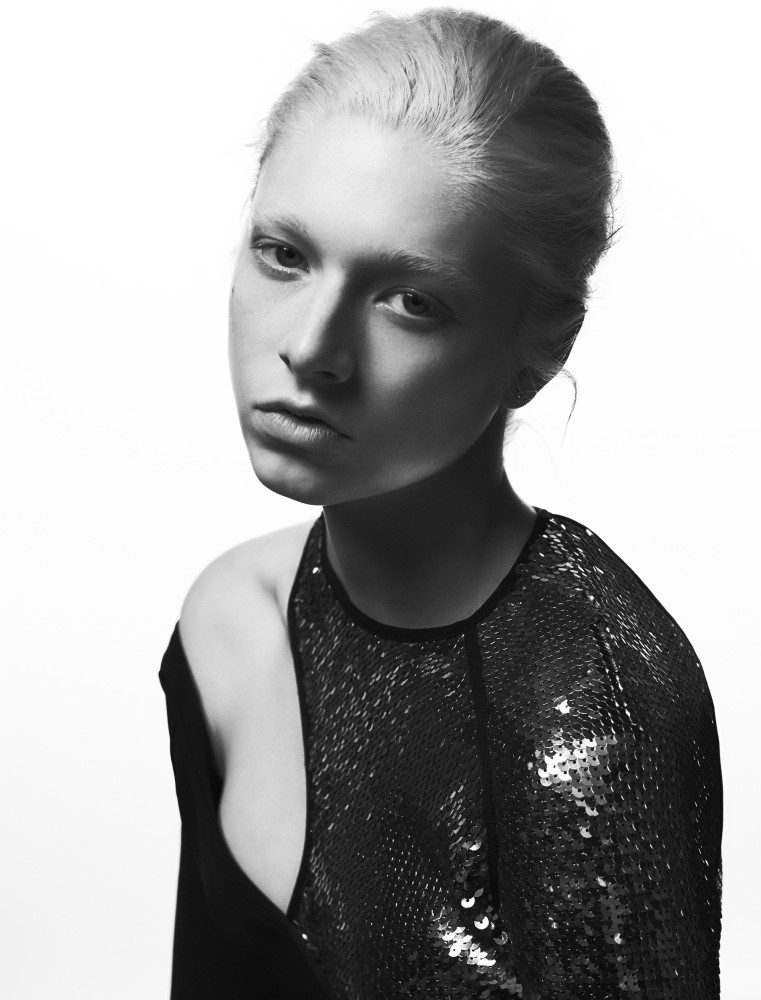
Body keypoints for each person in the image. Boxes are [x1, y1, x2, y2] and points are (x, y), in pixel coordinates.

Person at [159, 8, 723, 998]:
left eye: (410, 301)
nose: (311, 348)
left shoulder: (590, 699)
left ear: (539, 347)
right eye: (284, 255)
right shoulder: (229, 619)